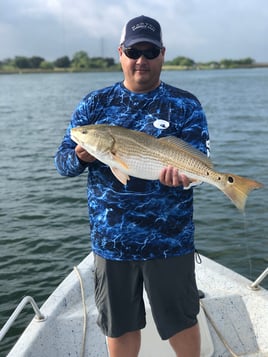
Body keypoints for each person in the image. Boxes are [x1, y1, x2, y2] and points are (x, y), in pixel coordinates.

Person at [55, 15, 210, 357]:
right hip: (112, 244)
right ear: (120, 53)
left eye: (150, 51)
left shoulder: (186, 105)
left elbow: (198, 165)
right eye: (133, 50)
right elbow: (62, 163)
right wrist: (82, 157)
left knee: (182, 321)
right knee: (120, 325)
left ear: (162, 54)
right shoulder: (94, 105)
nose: (141, 59)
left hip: (170, 240)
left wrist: (184, 179)